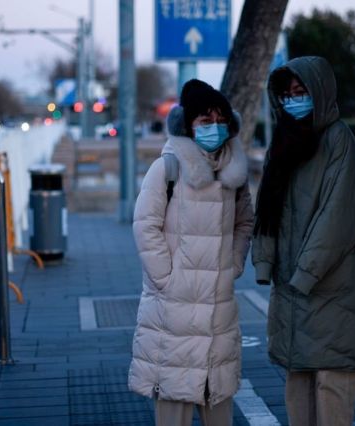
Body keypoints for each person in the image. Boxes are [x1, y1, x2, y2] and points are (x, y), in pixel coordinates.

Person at [251, 56, 355, 426]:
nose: (294, 100)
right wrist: (265, 261)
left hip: (334, 290)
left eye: (301, 92)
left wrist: (304, 273)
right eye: (288, 94)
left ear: (320, 93)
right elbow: (268, 206)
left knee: (331, 387)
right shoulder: (285, 141)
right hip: (294, 289)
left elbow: (338, 219)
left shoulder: (339, 140)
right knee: (299, 383)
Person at [128, 79, 254, 426]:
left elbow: (245, 223)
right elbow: (144, 225)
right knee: (174, 407)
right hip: (175, 312)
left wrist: (235, 263)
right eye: (204, 120)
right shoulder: (166, 168)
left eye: (219, 119)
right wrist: (166, 277)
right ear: (189, 125)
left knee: (219, 405)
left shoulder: (235, 174)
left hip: (219, 312)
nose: (213, 127)